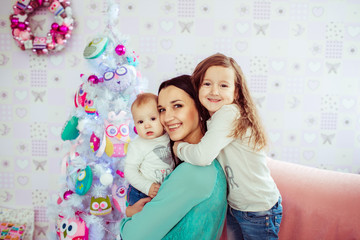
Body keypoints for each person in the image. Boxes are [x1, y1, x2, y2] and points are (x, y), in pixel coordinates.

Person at [174, 53, 283, 240]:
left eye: (223, 85)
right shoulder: (215, 118)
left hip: (258, 209)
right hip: (239, 207)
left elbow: (202, 156)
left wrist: (179, 148)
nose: (214, 91)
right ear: (197, 87)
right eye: (207, 84)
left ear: (236, 92)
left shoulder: (229, 114)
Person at [120, 75, 227, 240]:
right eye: (162, 110)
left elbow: (132, 236)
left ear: (200, 109)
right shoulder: (204, 164)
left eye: (177, 106)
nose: (167, 118)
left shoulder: (194, 172)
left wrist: (127, 217)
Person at [124, 93, 174, 206]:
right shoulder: (138, 144)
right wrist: (147, 186)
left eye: (152, 119)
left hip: (165, 190)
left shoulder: (170, 136)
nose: (147, 125)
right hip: (141, 192)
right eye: (140, 122)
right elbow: (130, 170)